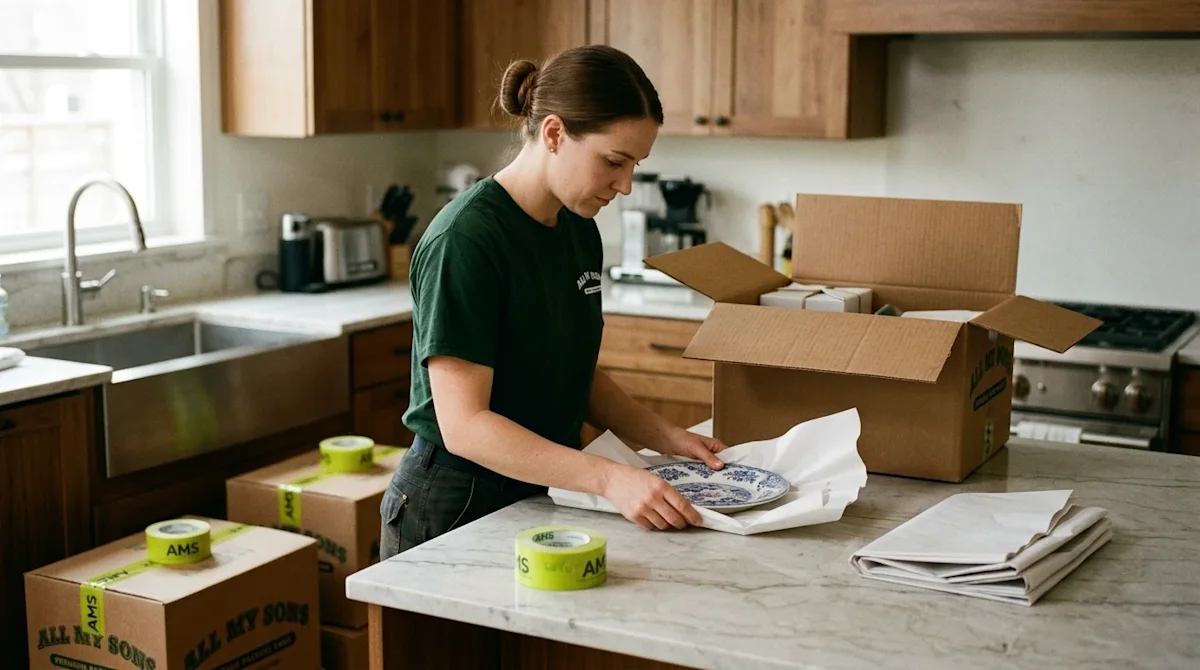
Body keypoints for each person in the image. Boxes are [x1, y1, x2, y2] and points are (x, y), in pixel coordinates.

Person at [379, 45, 728, 560]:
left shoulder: (578, 229)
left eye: (635, 164)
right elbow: (466, 426)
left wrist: (668, 436)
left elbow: (570, 371)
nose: (626, 185)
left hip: (539, 486)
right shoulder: (466, 240)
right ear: (554, 134)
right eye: (614, 161)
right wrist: (610, 478)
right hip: (454, 503)